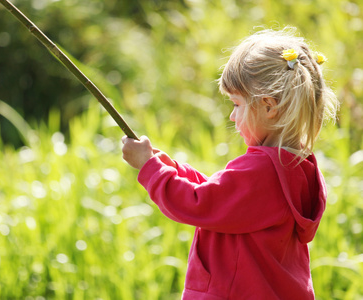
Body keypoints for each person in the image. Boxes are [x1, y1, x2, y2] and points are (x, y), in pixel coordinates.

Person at [121, 28, 339, 299]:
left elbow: (199, 204)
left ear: (269, 106)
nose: (233, 116)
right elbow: (225, 201)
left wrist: (149, 168)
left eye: (237, 104)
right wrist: (173, 169)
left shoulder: (260, 169)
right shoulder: (296, 167)